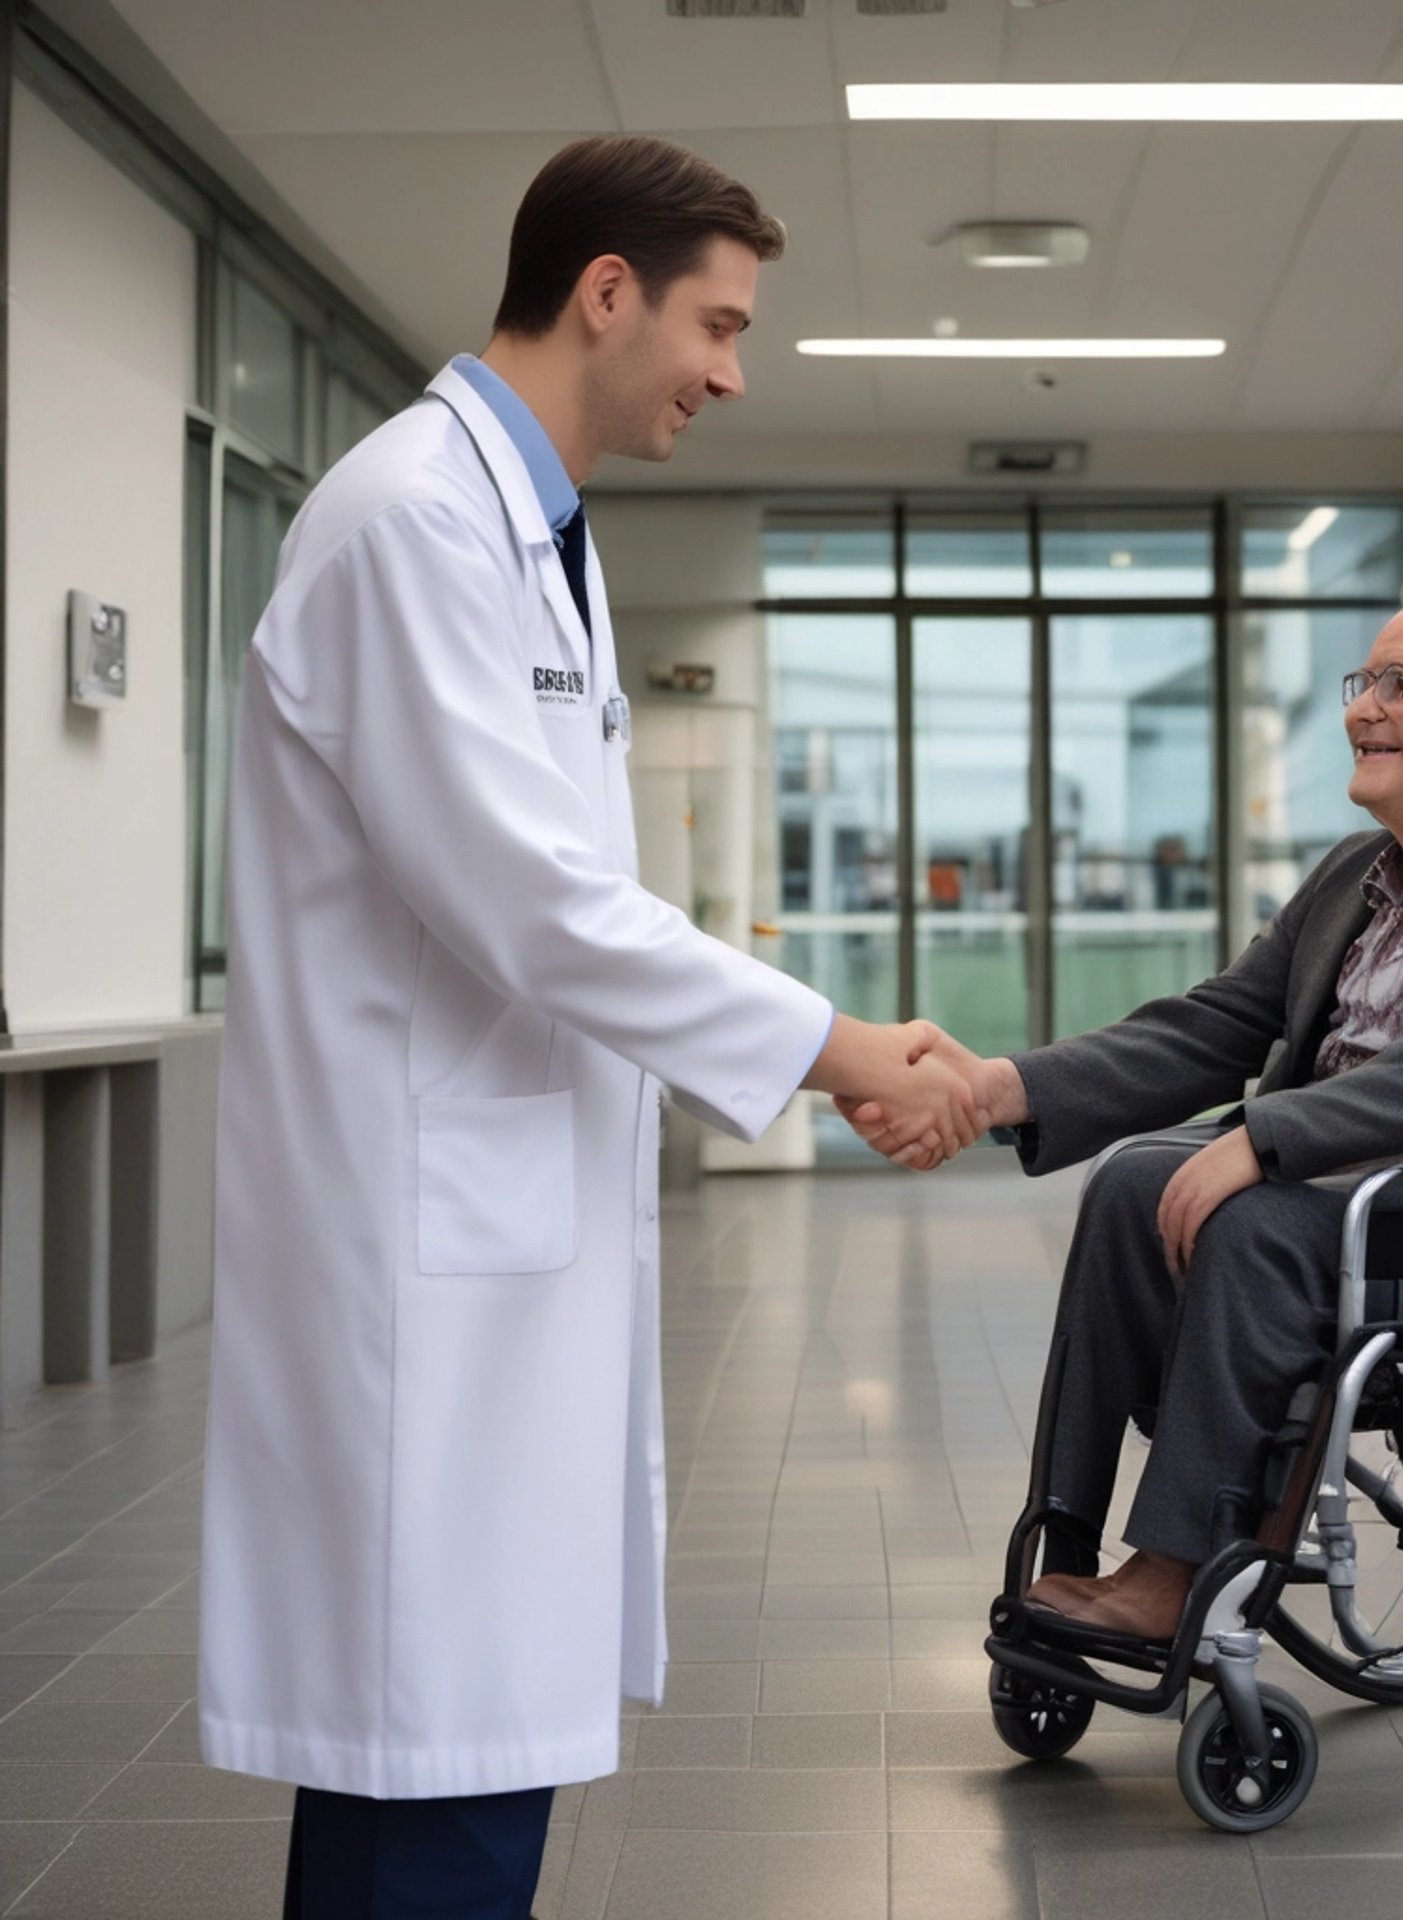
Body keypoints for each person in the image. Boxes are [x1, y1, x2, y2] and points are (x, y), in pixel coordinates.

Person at [199, 135, 981, 1918]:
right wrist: (837, 1046)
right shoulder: (412, 517)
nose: (729, 370)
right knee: (436, 1761)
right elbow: (533, 902)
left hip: (495, 1227)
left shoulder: (533, 531)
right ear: (605, 290)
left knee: (467, 1743)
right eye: (718, 322)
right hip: (421, 1255)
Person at [843, 565, 1403, 1639]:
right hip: (1357, 1179)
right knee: (1131, 1181)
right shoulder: (1357, 872)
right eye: (1365, 679)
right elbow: (1217, 1025)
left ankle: (1181, 1568)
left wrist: (1262, 1141)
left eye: (1402, 683)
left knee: (1253, 1219)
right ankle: (1067, 1533)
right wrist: (1001, 1088)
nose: (1364, 705)